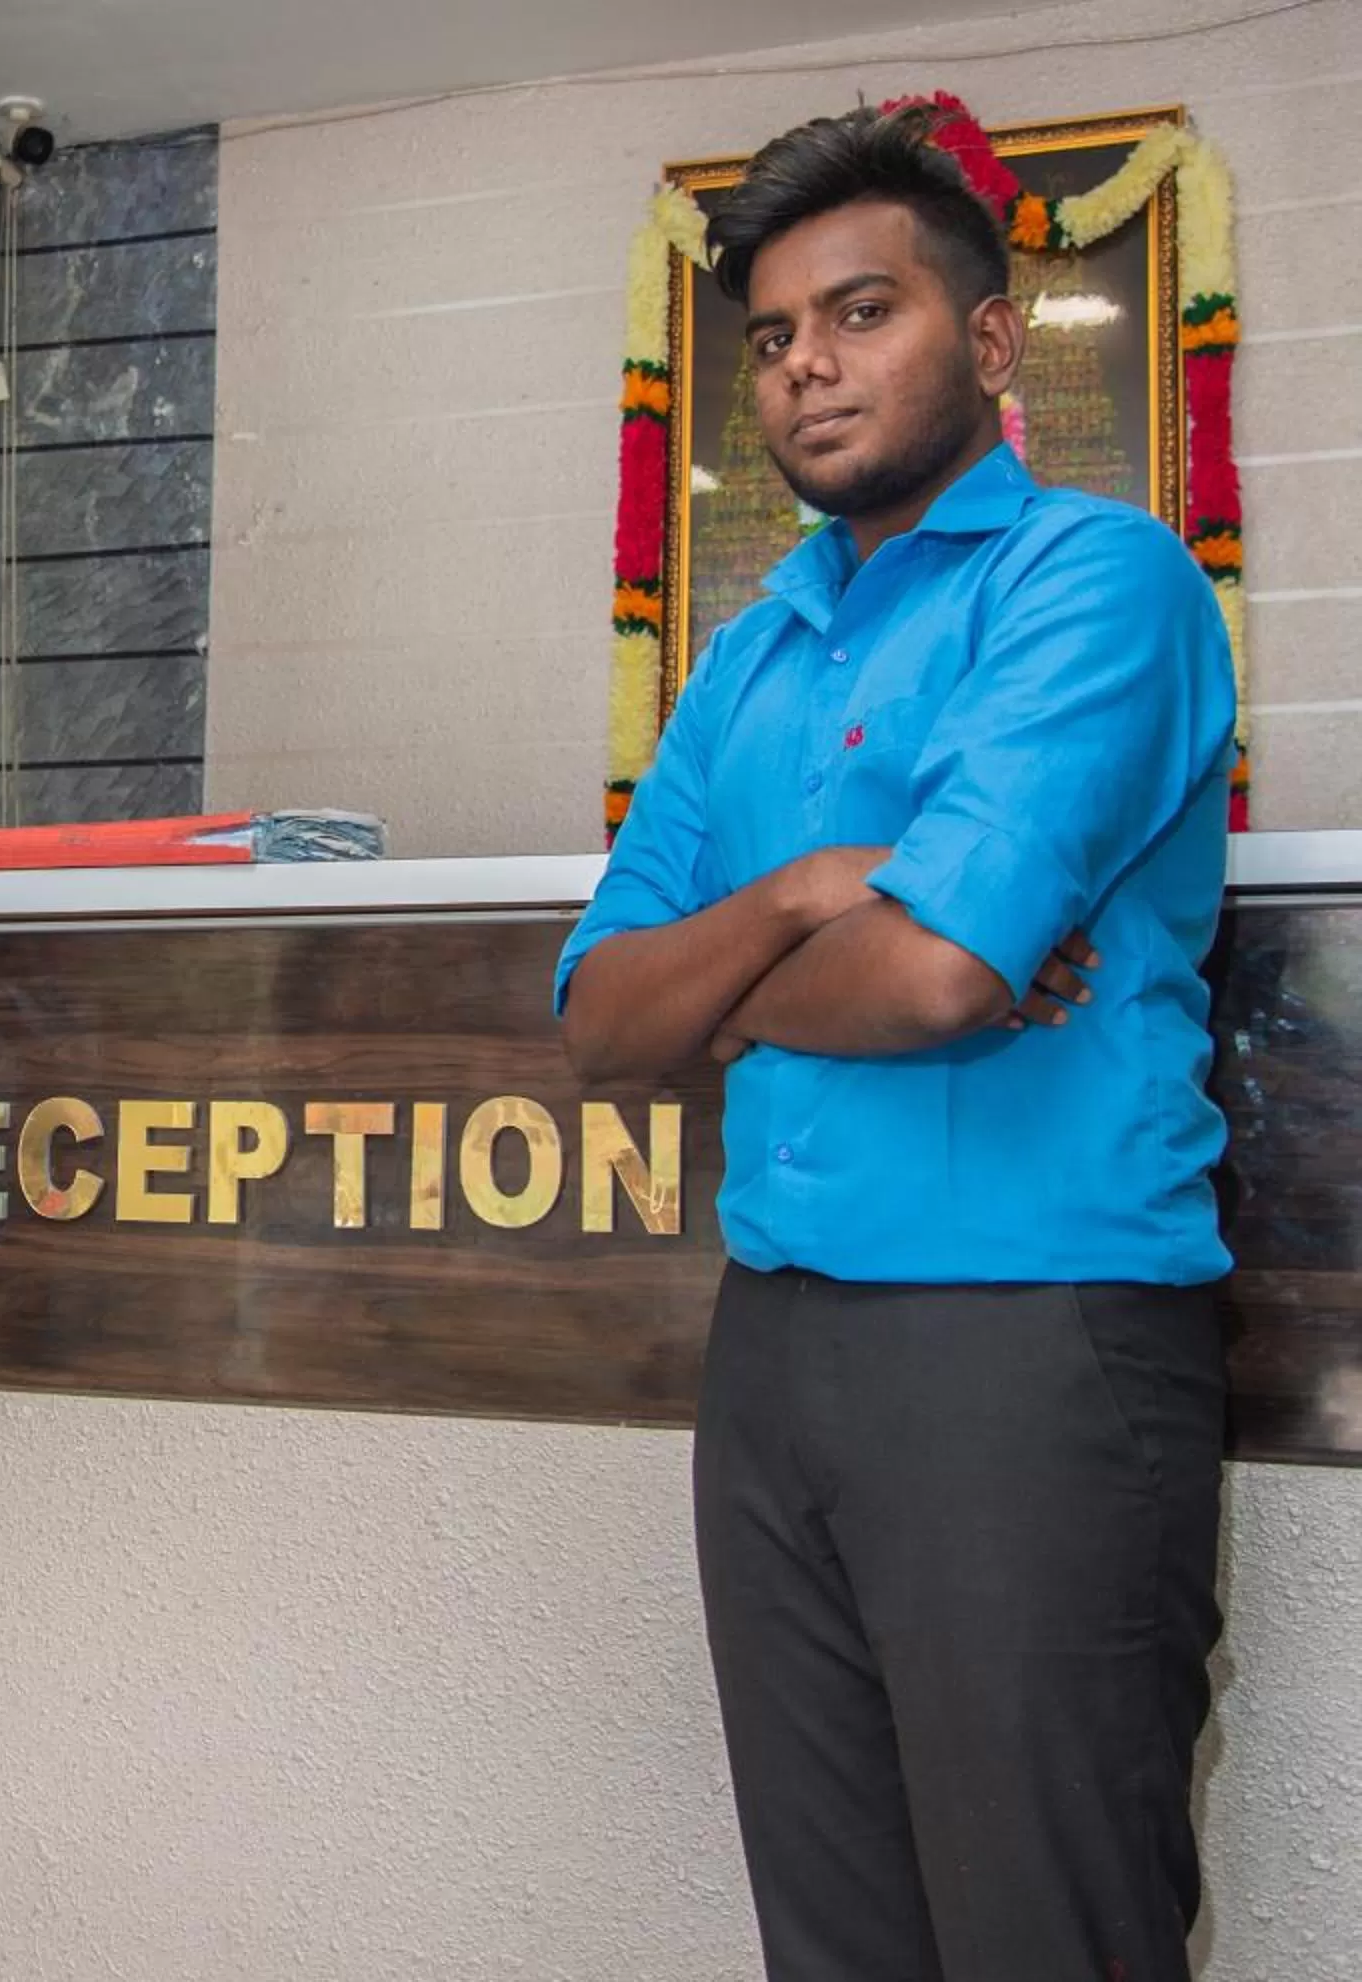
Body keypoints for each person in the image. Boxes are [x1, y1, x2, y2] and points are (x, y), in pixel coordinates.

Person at [558, 104, 1234, 1982]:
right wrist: (796, 903)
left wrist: (758, 975)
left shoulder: (1096, 584)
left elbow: (939, 976)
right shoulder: (750, 654)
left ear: (992, 340)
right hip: (774, 1351)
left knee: (1047, 1936)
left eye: (861, 314)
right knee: (837, 1941)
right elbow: (602, 1021)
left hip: (1032, 1347)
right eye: (775, 338)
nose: (807, 370)